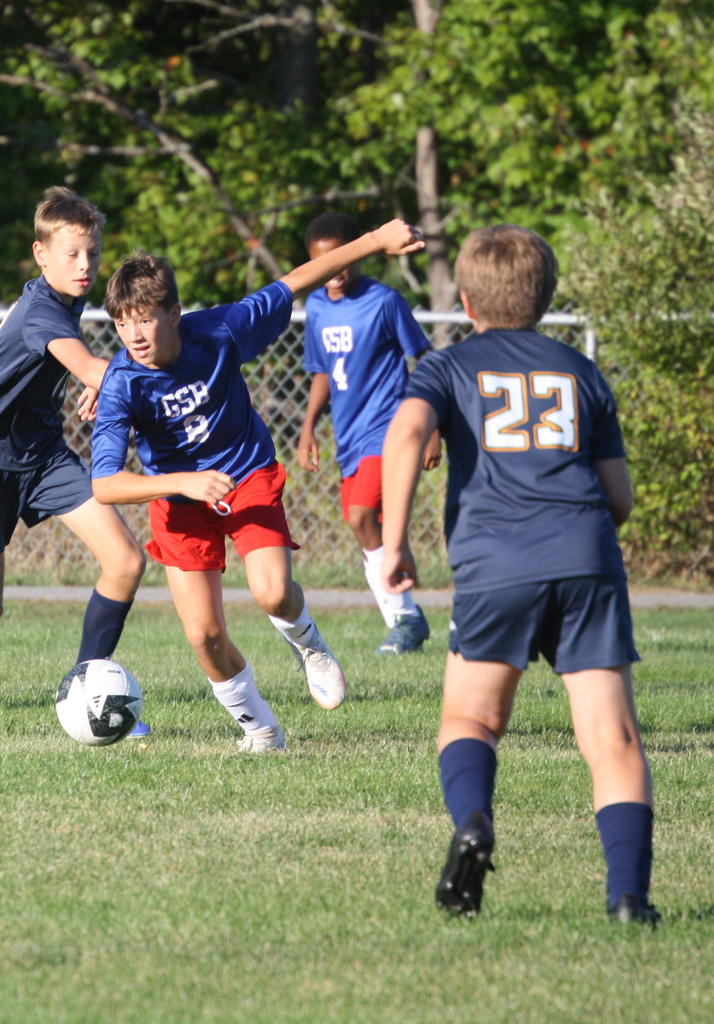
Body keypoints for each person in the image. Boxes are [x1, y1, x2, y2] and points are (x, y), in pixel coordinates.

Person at [381, 224, 658, 924]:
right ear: (545, 297)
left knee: (470, 717)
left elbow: (406, 433)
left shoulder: (446, 366)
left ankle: (474, 822)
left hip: (495, 560)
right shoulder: (581, 371)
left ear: (466, 302)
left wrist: (394, 541)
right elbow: (620, 499)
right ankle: (629, 898)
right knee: (612, 739)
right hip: (587, 556)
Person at [91, 219, 426, 752]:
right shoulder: (121, 383)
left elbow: (296, 281)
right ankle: (262, 732)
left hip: (245, 474)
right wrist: (184, 482)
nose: (133, 336)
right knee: (204, 636)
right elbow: (105, 484)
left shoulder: (221, 329)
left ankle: (308, 643)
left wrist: (375, 241)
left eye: (145, 319)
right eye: (122, 323)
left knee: (272, 593)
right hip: (179, 499)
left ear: (174, 314)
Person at [0, 187, 147, 740]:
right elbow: (87, 365)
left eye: (93, 252)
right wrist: (102, 377)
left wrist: (97, 378)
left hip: (44, 456)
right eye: (72, 254)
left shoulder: (64, 300)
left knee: (124, 561)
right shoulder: (43, 310)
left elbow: (83, 365)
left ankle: (89, 694)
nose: (86, 264)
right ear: (41, 254)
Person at [297, 212, 441, 655]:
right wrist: (308, 427)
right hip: (349, 435)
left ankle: (405, 619)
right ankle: (404, 620)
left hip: (389, 427)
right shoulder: (316, 307)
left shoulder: (384, 301)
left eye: (343, 258)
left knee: (361, 515)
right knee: (363, 529)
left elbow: (424, 360)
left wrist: (432, 426)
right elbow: (322, 371)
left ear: (358, 252)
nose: (335, 269)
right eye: (325, 261)